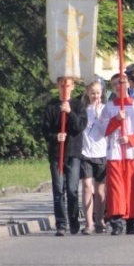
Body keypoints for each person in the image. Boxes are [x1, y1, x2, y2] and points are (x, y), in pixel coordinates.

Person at [102, 74, 134, 235]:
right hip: (115, 153)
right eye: (115, 84)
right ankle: (116, 221)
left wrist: (131, 138)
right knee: (116, 188)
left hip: (132, 154)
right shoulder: (109, 107)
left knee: (132, 187)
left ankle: (132, 221)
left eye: (121, 83)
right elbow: (103, 129)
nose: (118, 86)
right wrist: (116, 119)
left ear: (128, 84)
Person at [42, 76, 87, 236]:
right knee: (58, 189)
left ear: (73, 87)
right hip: (56, 154)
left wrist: (69, 112)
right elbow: (45, 130)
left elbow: (80, 126)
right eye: (62, 86)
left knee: (72, 189)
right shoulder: (51, 106)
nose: (64, 89)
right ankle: (61, 223)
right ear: (58, 87)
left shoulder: (78, 105)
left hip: (73, 152)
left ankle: (73, 220)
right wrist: (56, 137)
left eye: (67, 86)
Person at [80, 80, 108, 235]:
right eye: (92, 93)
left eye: (97, 93)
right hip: (86, 153)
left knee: (100, 190)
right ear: (87, 93)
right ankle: (89, 222)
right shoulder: (83, 110)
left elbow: (106, 132)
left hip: (101, 153)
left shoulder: (105, 109)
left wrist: (99, 116)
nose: (95, 96)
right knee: (86, 187)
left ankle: (99, 220)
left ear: (102, 93)